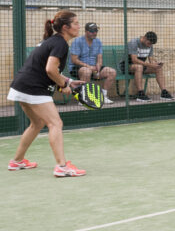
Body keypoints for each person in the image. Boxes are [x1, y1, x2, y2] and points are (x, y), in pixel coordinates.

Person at [7, 10, 87, 177]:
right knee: (55, 124)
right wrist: (63, 84)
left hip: (21, 85)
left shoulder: (52, 41)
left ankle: (17, 161)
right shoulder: (60, 44)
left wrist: (69, 82)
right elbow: (50, 69)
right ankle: (62, 167)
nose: (79, 26)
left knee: (37, 124)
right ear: (66, 27)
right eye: (76, 23)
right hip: (33, 88)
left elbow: (47, 69)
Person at [69, 22, 115, 104]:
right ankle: (83, 98)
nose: (94, 33)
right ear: (86, 31)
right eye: (92, 31)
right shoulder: (78, 41)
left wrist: (98, 66)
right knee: (87, 71)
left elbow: (99, 58)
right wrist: (89, 67)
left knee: (111, 71)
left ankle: (103, 96)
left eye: (96, 31)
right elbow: (74, 60)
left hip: (93, 68)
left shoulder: (98, 42)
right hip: (78, 68)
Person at [123, 31, 173, 102]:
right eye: (149, 43)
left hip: (141, 66)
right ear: (144, 38)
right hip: (127, 66)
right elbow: (134, 60)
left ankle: (164, 92)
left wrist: (155, 64)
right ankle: (140, 94)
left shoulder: (150, 45)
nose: (149, 46)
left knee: (158, 68)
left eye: (151, 44)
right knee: (139, 67)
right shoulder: (134, 43)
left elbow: (151, 59)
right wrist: (150, 65)